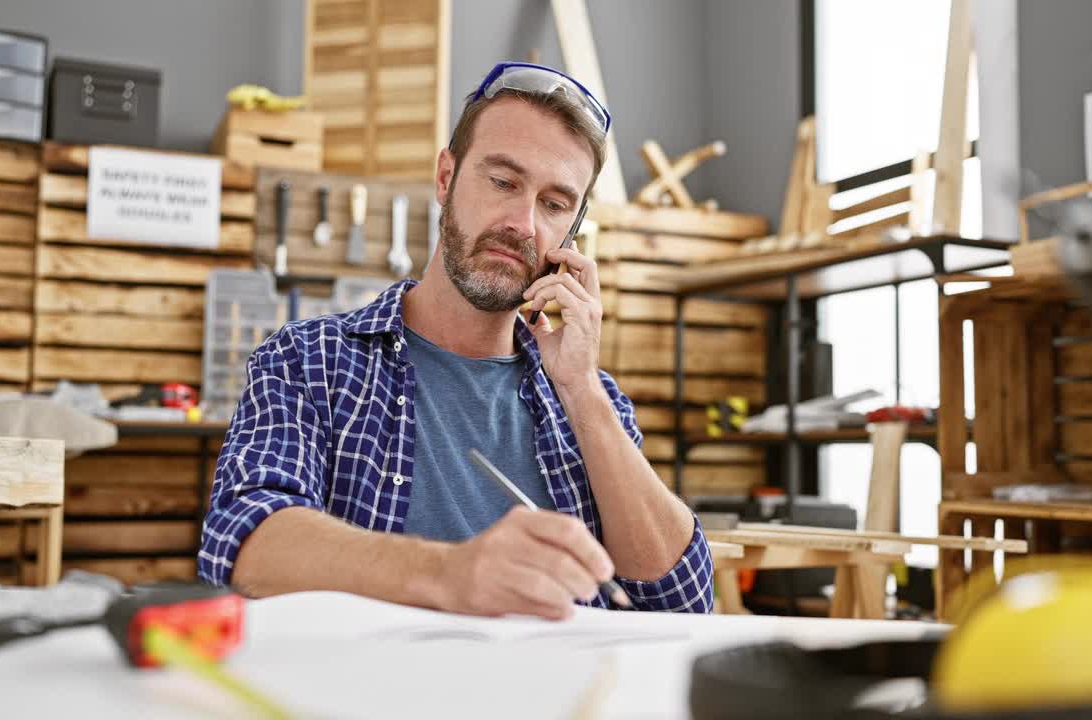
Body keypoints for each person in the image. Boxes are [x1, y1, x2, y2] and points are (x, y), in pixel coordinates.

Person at [199, 62, 713, 618]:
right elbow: (242, 544)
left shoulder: (592, 398)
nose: (523, 222)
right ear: (445, 178)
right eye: (502, 182)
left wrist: (582, 387)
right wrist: (450, 573)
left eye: (555, 203)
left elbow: (681, 600)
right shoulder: (308, 361)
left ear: (571, 231)